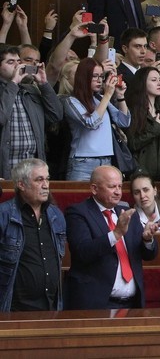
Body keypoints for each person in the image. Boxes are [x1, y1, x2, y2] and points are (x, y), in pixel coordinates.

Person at [65, 166, 159, 309]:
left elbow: (148, 255)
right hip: (96, 304)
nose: (118, 192)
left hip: (132, 304)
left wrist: (147, 240)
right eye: (112, 186)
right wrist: (115, 234)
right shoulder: (78, 213)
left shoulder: (128, 214)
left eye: (120, 186)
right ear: (94, 189)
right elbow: (82, 252)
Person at [0, 159, 65, 311]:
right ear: (21, 185)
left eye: (47, 179)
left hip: (51, 307)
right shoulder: (4, 215)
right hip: (14, 308)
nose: (46, 185)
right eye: (39, 180)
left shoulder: (56, 215)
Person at [0, 46, 63, 179]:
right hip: (5, 167)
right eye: (10, 62)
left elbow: (56, 115)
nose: (17, 66)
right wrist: (13, 83)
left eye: (18, 61)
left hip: (32, 165)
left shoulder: (31, 90)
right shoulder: (6, 91)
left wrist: (44, 84)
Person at [63, 58, 130, 181]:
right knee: (78, 193)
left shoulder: (100, 98)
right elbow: (91, 123)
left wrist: (120, 96)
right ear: (84, 77)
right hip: (83, 162)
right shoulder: (72, 101)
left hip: (106, 160)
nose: (99, 80)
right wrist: (107, 95)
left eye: (101, 76)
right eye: (95, 76)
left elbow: (124, 122)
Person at [125, 66, 160, 181]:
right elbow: (133, 144)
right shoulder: (133, 111)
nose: (159, 83)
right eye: (154, 80)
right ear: (142, 83)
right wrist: (156, 128)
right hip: (141, 174)